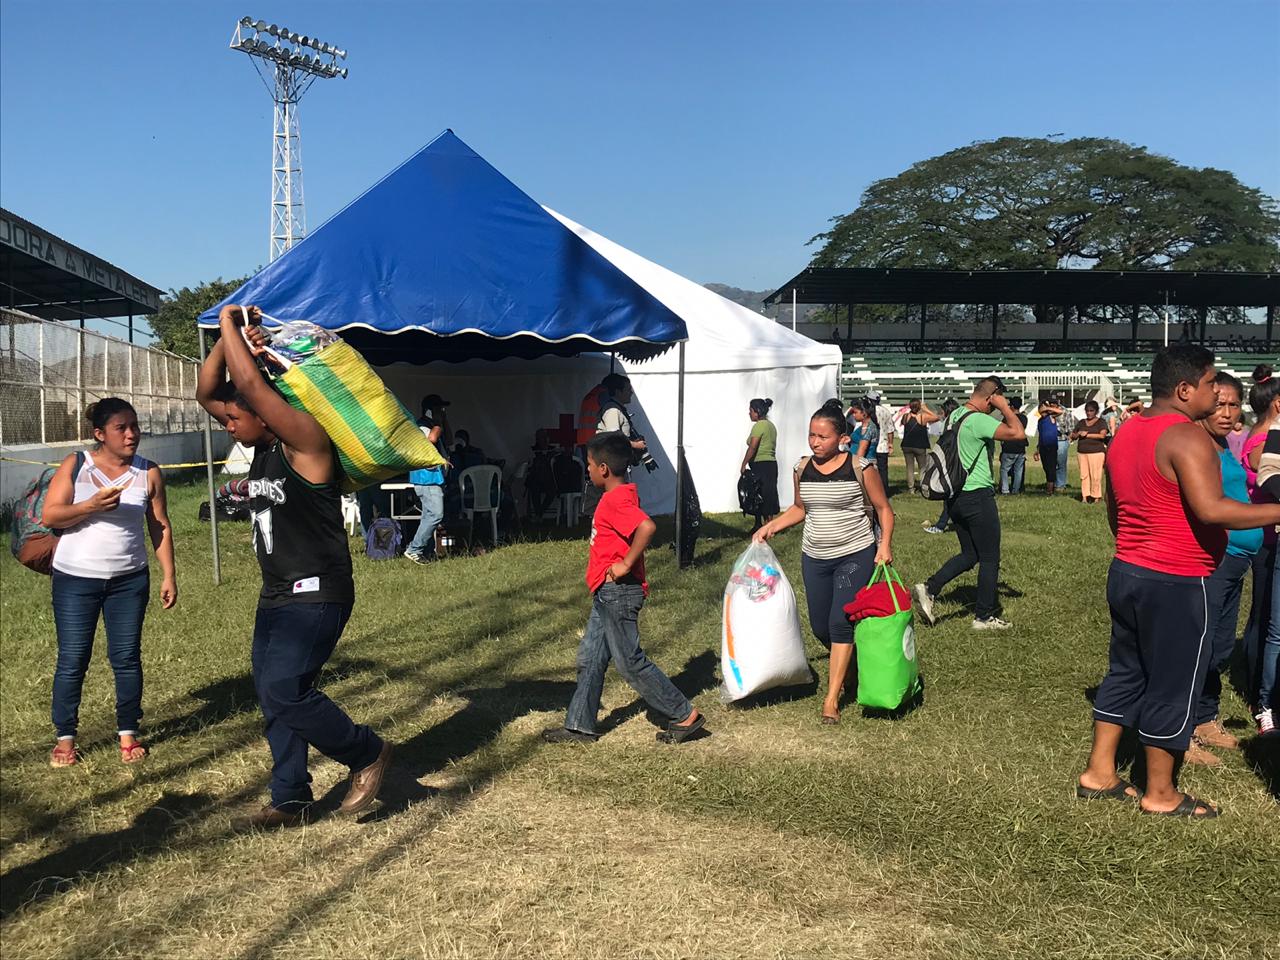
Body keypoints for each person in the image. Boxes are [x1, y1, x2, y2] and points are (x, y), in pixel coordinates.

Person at [197, 304, 394, 828]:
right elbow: (209, 392)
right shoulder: (257, 441)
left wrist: (229, 328)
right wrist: (230, 339)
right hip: (277, 593)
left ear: (268, 412)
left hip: (318, 591)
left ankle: (366, 752)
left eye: (239, 417)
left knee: (286, 688)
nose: (229, 424)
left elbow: (248, 385)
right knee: (271, 693)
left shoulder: (306, 441)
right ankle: (291, 796)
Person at [1075, 346, 1280, 818]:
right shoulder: (1186, 437)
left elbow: (1115, 506)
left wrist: (1137, 546)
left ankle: (1100, 772)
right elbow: (1213, 510)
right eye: (1211, 384)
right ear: (1186, 390)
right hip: (1177, 578)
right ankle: (1161, 793)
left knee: (1126, 672)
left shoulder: (1128, 431)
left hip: (1128, 569)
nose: (1217, 391)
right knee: (1174, 683)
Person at [542, 432, 705, 744]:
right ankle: (580, 725)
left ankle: (684, 714)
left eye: (589, 465)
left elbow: (647, 527)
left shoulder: (616, 500)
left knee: (629, 662)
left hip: (619, 591)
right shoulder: (619, 495)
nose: (587, 470)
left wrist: (626, 564)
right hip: (606, 591)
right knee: (590, 657)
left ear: (603, 469)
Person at [41, 398, 177, 768]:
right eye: (122, 428)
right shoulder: (77, 464)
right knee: (72, 659)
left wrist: (169, 574)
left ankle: (128, 733)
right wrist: (90, 507)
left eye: (135, 426)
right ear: (100, 434)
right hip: (75, 580)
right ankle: (66, 738)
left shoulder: (148, 472)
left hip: (129, 581)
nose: (132, 434)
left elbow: (158, 524)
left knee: (127, 658)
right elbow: (51, 514)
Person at [753, 400, 895, 723]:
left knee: (839, 622)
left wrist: (883, 545)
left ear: (842, 438)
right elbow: (800, 509)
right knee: (820, 626)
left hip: (855, 553)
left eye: (823, 436)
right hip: (815, 556)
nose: (815, 442)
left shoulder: (861, 467)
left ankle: (832, 698)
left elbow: (884, 509)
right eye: (811, 435)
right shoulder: (802, 468)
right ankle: (853, 665)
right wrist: (770, 526)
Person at [913, 377, 1025, 630]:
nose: (995, 410)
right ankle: (983, 617)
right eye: (994, 404)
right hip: (977, 495)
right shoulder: (978, 419)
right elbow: (1017, 433)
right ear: (991, 397)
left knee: (970, 553)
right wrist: (1006, 408)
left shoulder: (957, 416)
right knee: (989, 558)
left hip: (955, 497)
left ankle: (930, 588)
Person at [1189, 372, 1260, 764]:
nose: (1228, 412)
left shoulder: (1222, 445)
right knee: (1196, 646)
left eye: (1235, 404)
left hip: (1236, 563)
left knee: (1216, 647)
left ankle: (1204, 718)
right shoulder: (1199, 446)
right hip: (1214, 559)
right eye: (1220, 404)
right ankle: (1180, 729)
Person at [1241, 364, 1280, 729]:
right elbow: (1268, 480)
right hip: (1267, 537)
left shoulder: (1261, 433)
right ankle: (1258, 691)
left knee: (1265, 618)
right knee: (1266, 620)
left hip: (1268, 534)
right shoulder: (1264, 440)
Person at [405, 394, 452, 564]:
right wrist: (438, 422)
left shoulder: (434, 425)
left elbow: (450, 440)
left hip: (434, 478)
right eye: (439, 409)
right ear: (431, 410)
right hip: (427, 478)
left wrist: (443, 421)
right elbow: (431, 439)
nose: (442, 411)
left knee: (428, 516)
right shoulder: (422, 426)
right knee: (436, 515)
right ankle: (414, 549)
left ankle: (425, 552)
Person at [740, 397, 779, 532]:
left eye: (750, 410)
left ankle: (767, 525)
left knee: (761, 494)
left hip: (761, 464)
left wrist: (744, 463)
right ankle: (761, 524)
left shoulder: (759, 426)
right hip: (770, 464)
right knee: (766, 492)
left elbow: (753, 446)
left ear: (757, 411)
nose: (749, 413)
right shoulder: (771, 426)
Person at [923, 399, 959, 534]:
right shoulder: (959, 422)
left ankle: (940, 525)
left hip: (950, 463)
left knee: (948, 495)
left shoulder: (948, 424)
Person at [1070, 400, 1110, 504]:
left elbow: (1102, 435)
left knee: (1096, 475)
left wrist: (1087, 435)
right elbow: (1072, 436)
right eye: (1087, 411)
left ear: (1096, 411)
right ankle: (1085, 496)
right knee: (1084, 475)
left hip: (1097, 452)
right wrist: (1078, 433)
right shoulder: (1081, 422)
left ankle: (1096, 497)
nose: (1089, 413)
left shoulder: (1101, 422)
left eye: (1091, 411)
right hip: (1082, 452)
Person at [900, 399, 937, 495]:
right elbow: (936, 417)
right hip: (919, 446)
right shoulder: (922, 417)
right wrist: (925, 409)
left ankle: (911, 488)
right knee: (923, 468)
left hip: (907, 445)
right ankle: (923, 486)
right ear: (919, 406)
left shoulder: (906, 416)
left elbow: (903, 423)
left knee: (909, 467)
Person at [998, 397, 1028, 495]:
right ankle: (1016, 490)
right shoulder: (1024, 418)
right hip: (1020, 447)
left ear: (1011, 406)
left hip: (1009, 447)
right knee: (1018, 471)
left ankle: (1005, 489)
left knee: (1004, 470)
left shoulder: (1007, 418)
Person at [870, 391, 896, 493]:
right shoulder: (886, 411)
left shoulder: (869, 411)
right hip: (883, 445)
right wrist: (890, 443)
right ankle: (884, 490)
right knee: (883, 470)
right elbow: (890, 430)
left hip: (872, 444)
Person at [1034, 401, 1061, 495]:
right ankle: (1050, 486)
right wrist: (1037, 450)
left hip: (1051, 447)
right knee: (1046, 468)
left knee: (1051, 468)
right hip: (1043, 447)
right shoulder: (1040, 421)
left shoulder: (1051, 417)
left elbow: (1060, 411)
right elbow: (1040, 436)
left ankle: (1050, 490)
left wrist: (1048, 408)